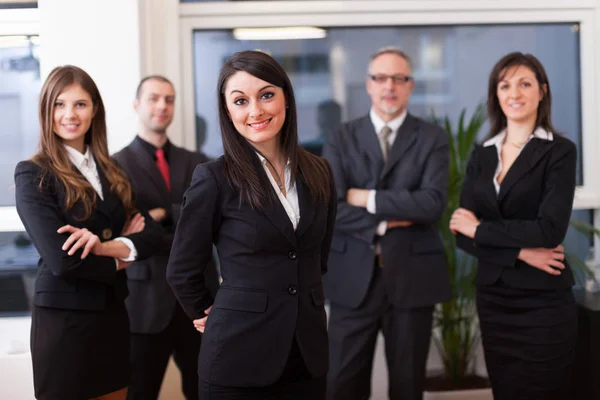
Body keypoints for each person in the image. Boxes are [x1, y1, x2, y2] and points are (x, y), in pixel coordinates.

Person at [166, 50, 337, 399]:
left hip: (307, 354)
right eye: (241, 101)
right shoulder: (213, 178)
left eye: (267, 95)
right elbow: (182, 268)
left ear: (286, 98)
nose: (256, 111)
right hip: (237, 354)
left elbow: (317, 257)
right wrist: (210, 312)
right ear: (228, 112)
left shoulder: (320, 171)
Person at [14, 65, 161, 400]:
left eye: (80, 104)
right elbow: (62, 261)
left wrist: (104, 247)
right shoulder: (33, 174)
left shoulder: (113, 170)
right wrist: (120, 259)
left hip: (112, 319)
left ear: (95, 109)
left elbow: (152, 235)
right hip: (65, 327)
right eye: (59, 104)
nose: (70, 114)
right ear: (46, 110)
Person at [322, 46, 451, 400]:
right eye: (380, 78)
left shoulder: (433, 138)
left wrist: (367, 197)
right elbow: (330, 205)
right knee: (340, 386)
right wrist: (385, 222)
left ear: (410, 85)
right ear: (368, 84)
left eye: (399, 78)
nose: (389, 86)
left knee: (408, 388)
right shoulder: (341, 136)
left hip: (413, 280)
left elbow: (432, 203)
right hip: (351, 281)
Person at [450, 52, 577, 400]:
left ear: (542, 92)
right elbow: (461, 232)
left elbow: (550, 230)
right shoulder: (483, 154)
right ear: (496, 94)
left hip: (543, 305)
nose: (514, 93)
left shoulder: (559, 152)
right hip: (495, 302)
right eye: (505, 85)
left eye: (525, 83)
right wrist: (522, 251)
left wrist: (482, 230)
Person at [113, 75, 219, 400]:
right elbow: (126, 227)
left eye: (169, 99)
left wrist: (159, 215)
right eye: (154, 98)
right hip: (144, 305)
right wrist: (183, 215)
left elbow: (209, 222)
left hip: (200, 301)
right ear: (136, 105)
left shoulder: (198, 161)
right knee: (139, 393)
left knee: (206, 391)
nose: (162, 106)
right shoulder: (116, 165)